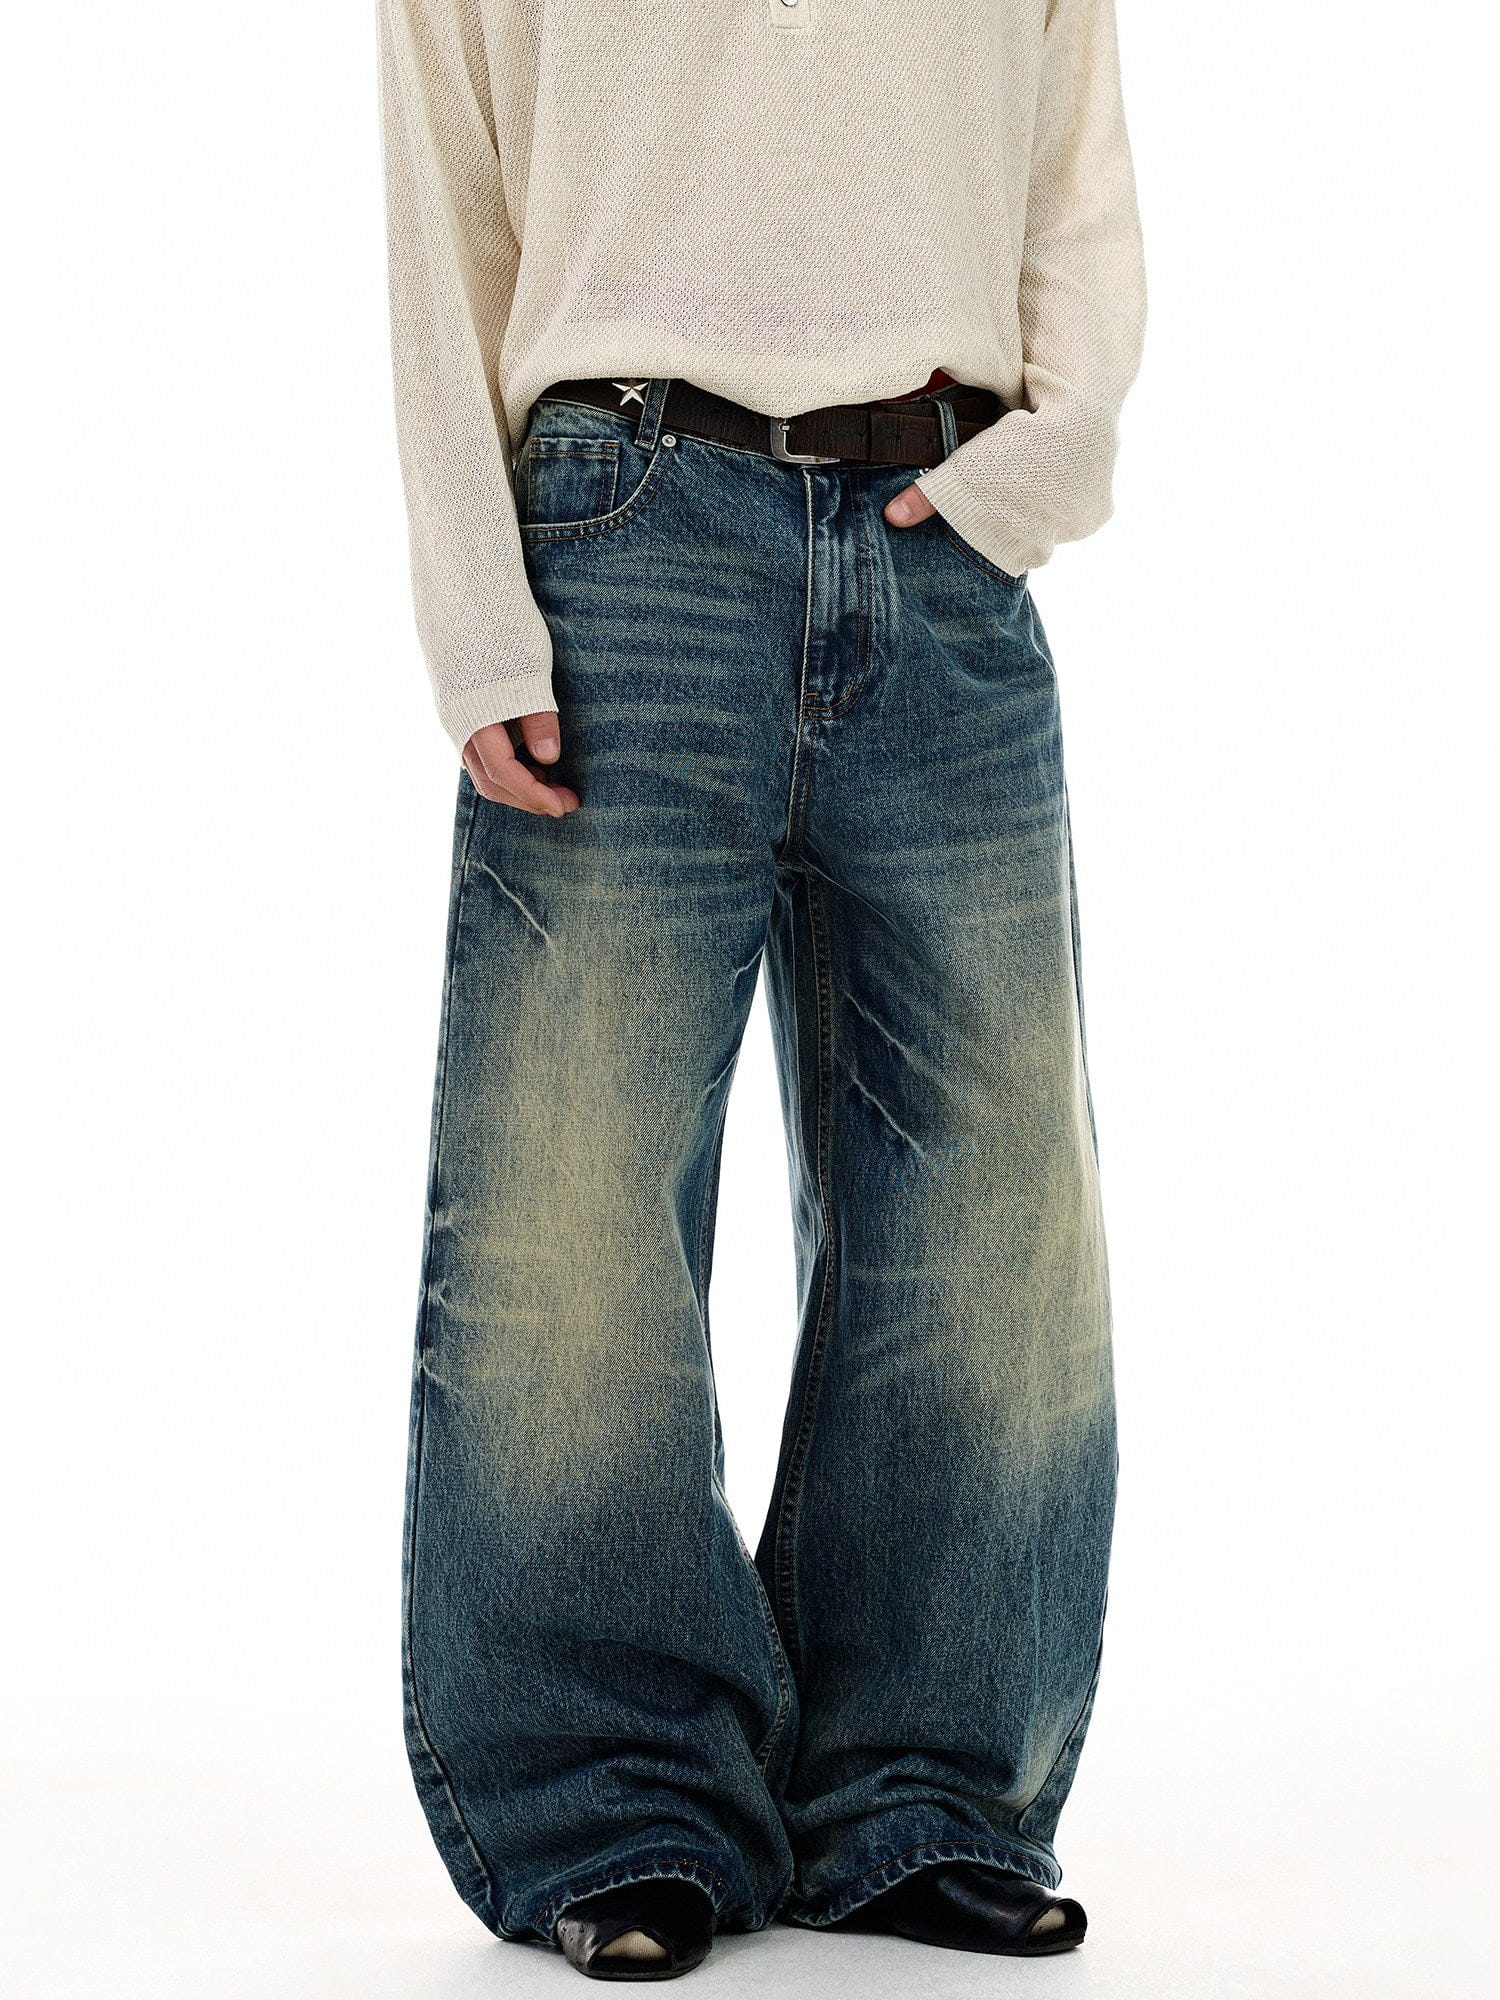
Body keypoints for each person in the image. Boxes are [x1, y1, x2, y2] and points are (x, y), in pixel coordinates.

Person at [378, 0, 1145, 1978]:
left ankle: (923, 1790)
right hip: (623, 534)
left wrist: (1049, 455)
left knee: (994, 1213)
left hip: (943, 537)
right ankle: (609, 1801)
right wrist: (475, 608)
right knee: (569, 1209)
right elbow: (448, 186)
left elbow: (1071, 149)